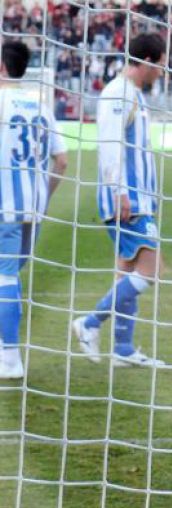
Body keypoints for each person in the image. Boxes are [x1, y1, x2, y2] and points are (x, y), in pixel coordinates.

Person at [72, 33, 166, 367]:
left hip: (140, 199)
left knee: (126, 272)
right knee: (151, 270)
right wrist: (120, 192)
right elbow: (110, 145)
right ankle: (89, 322)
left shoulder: (134, 94)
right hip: (128, 200)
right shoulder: (117, 93)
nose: (163, 71)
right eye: (161, 64)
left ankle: (122, 349)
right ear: (149, 61)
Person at [0, 41, 68, 379]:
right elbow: (62, 161)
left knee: (5, 276)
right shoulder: (41, 104)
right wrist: (44, 197)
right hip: (33, 206)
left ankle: (10, 357)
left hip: (4, 206)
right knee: (9, 275)